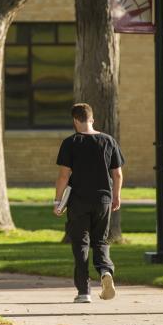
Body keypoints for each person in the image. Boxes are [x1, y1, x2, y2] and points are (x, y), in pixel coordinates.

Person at [54, 103, 123, 303]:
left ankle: (84, 291)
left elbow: (63, 176)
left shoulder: (70, 143)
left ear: (75, 120)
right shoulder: (108, 141)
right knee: (100, 240)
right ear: (92, 119)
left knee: (81, 244)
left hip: (78, 201)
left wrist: (58, 201)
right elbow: (117, 174)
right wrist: (116, 196)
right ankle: (105, 271)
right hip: (103, 200)